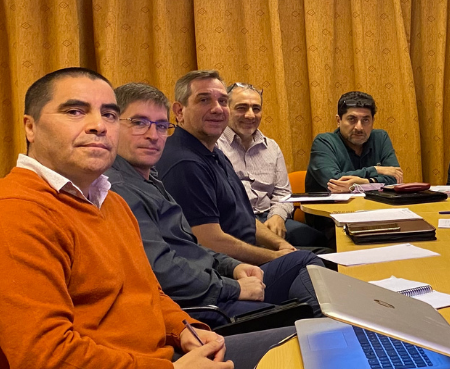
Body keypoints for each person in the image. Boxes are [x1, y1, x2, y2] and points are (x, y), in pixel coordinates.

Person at [0, 68, 450, 369]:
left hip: (157, 367)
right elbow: (45, 359)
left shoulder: (108, 201)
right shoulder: (19, 213)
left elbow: (151, 292)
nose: (99, 125)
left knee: (333, 348)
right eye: (75, 111)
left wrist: (186, 330)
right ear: (30, 127)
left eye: (109, 113)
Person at [108, 82, 308, 325]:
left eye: (161, 126)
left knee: (306, 273)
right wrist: (232, 287)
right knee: (299, 313)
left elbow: (189, 245)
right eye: (139, 123)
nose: (153, 135)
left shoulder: (150, 177)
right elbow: (163, 270)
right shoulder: (119, 189)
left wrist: (232, 267)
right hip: (195, 307)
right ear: (110, 124)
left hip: (211, 283)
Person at [155, 71, 327, 307]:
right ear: (179, 111)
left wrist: (280, 245)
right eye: (204, 100)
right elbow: (209, 241)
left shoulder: (213, 152)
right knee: (307, 263)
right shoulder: (185, 163)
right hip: (227, 274)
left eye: (222, 101)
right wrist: (275, 256)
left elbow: (244, 217)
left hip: (246, 259)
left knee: (322, 260)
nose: (217, 108)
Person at [217, 81, 326, 248]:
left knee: (323, 241)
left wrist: (277, 216)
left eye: (256, 109)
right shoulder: (214, 146)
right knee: (301, 255)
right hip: (236, 223)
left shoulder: (272, 147)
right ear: (226, 109)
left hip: (269, 217)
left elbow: (283, 193)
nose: (250, 115)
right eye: (241, 108)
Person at [306, 91, 403, 193]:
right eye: (352, 119)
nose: (359, 127)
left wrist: (366, 182)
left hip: (373, 203)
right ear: (338, 120)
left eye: (365, 120)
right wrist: (375, 170)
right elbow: (334, 182)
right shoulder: (324, 142)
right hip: (332, 203)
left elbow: (395, 178)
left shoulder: (380, 138)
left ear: (372, 121)